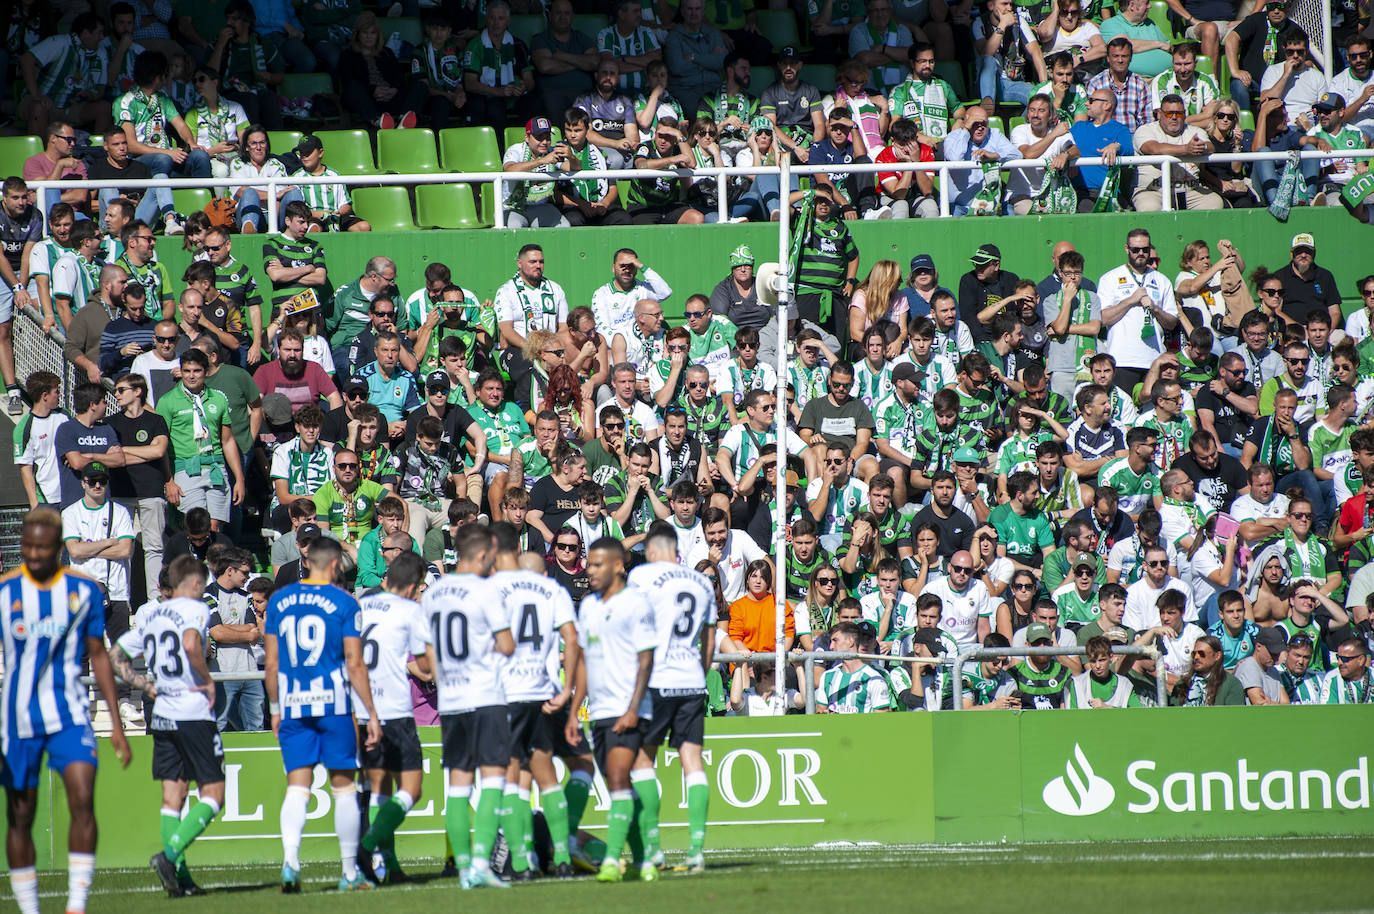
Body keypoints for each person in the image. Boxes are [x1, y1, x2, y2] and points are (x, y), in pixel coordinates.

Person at [0, 508, 132, 914]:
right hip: (19, 718)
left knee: (82, 797)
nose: (33, 555)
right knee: (20, 815)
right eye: (27, 547)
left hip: (70, 714)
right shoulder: (5, 592)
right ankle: (30, 909)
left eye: (42, 548)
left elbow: (100, 655)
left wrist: (116, 723)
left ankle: (77, 904)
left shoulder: (84, 592)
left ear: (59, 548)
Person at [265, 536, 382, 893]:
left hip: (294, 704)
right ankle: (348, 871)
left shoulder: (279, 600)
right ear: (334, 565)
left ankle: (290, 861)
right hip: (334, 705)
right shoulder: (345, 602)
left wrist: (274, 708)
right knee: (344, 788)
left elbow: (271, 663)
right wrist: (372, 713)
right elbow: (354, 662)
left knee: (297, 787)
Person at [564, 537, 660, 883]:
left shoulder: (636, 603)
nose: (589, 570)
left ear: (619, 565)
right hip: (600, 711)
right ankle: (646, 858)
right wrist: (575, 709)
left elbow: (646, 658)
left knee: (619, 779)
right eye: (588, 564)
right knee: (619, 787)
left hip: (628, 708)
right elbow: (586, 662)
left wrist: (634, 708)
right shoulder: (588, 606)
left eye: (597, 564)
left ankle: (610, 865)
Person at [629, 523, 715, 872]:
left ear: (652, 550)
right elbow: (709, 639)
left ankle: (653, 848)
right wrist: (700, 670)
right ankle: (696, 849)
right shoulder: (702, 582)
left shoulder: (642, 578)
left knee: (642, 761)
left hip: (656, 680)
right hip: (692, 680)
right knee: (692, 762)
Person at [350, 552, 436, 885]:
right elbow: (426, 668)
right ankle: (368, 844)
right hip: (395, 711)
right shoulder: (411, 610)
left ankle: (390, 866)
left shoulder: (364, 605)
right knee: (411, 789)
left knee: (380, 789)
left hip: (362, 709)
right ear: (414, 585)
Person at [156, 348, 245, 531]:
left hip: (216, 468)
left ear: (205, 371)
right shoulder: (168, 401)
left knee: (213, 527)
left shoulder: (218, 398)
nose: (191, 376)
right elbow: (161, 446)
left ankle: (209, 560)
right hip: (186, 468)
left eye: (196, 371)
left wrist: (239, 478)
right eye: (187, 371)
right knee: (196, 526)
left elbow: (227, 441)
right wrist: (168, 481)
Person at [1132, 93, 1222, 211]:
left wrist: (1201, 147)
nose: (1174, 117)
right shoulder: (1145, 130)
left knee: (1214, 203)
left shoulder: (1194, 131)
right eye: (1169, 113)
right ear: (1159, 114)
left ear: (1184, 115)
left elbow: (1210, 147)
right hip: (1153, 191)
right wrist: (1186, 149)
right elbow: (1152, 149)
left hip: (1189, 191)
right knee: (1148, 207)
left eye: (1178, 113)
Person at [760, 47, 826, 165]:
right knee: (780, 159)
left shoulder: (811, 90)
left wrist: (815, 147)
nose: (788, 68)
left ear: (800, 65)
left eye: (793, 63)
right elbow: (771, 126)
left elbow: (820, 124)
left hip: (808, 140)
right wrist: (796, 148)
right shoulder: (769, 93)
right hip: (783, 141)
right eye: (785, 64)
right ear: (779, 65)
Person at [974, 0, 1044, 111]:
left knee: (1039, 97)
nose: (1009, 8)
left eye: (1011, 4)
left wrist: (1044, 85)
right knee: (989, 60)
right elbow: (986, 52)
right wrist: (1003, 25)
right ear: (991, 5)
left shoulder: (1019, 21)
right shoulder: (979, 22)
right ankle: (987, 106)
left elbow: (1036, 52)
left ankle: (1022, 126)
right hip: (987, 84)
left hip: (1011, 84)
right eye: (1004, 4)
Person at [1065, 634, 1143, 707]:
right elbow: (1072, 717)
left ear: (1111, 658)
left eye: (1102, 660)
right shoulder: (1077, 683)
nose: (1097, 666)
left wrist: (1107, 708)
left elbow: (1138, 715)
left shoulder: (1124, 684)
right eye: (1093, 661)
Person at [1171, 633, 1245, 705]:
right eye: (1194, 654)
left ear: (1217, 656)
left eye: (1201, 653)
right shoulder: (1182, 684)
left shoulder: (1231, 684)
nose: (1196, 657)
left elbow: (1234, 715)